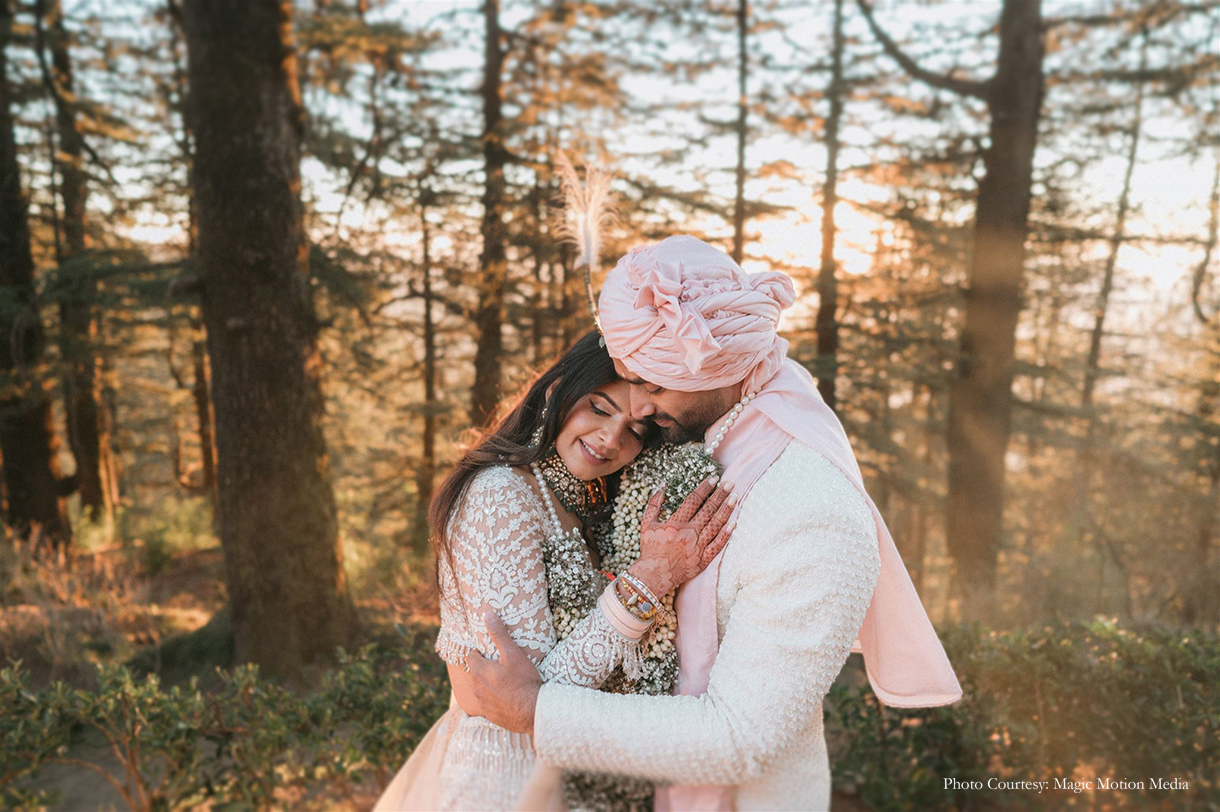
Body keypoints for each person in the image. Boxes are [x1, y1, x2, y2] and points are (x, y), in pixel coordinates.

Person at [451, 236, 964, 811]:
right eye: (618, 391)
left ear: (713, 366)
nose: (638, 411)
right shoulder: (707, 439)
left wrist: (537, 710)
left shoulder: (811, 509)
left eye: (650, 385)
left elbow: (742, 737)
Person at [373, 329, 735, 812]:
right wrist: (651, 578)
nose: (611, 438)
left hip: (575, 783)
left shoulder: (576, 504)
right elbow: (531, 697)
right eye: (599, 408)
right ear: (556, 392)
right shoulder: (500, 493)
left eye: (635, 431)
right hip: (505, 785)